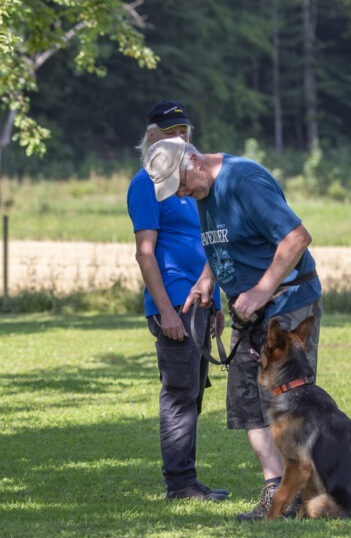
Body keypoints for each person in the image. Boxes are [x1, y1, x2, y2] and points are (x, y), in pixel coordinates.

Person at [144, 137, 323, 520]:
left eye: (181, 184)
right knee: (247, 401)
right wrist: (207, 279)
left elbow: (297, 238)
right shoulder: (202, 191)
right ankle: (276, 491)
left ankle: (301, 494)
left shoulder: (244, 182)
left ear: (194, 160)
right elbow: (223, 244)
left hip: (287, 305)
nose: (182, 194)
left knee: (289, 402)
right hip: (249, 311)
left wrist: (260, 290)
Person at [126, 100, 229, 502]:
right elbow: (145, 253)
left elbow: (206, 244)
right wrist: (166, 311)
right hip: (174, 305)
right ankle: (180, 484)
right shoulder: (146, 183)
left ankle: (187, 479)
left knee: (193, 395)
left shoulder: (190, 184)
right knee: (179, 396)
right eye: (171, 132)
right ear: (152, 137)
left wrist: (215, 303)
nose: (180, 138)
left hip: (199, 305)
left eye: (184, 131)